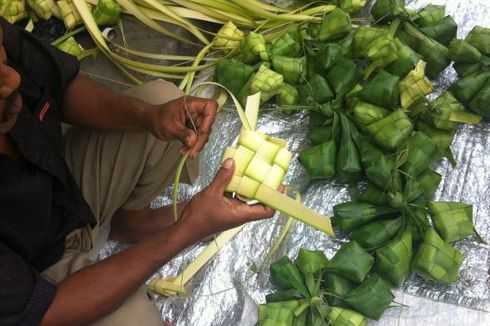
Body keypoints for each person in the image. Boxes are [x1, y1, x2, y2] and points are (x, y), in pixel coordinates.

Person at [0, 18, 275, 325]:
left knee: (167, 109)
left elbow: (62, 86)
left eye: (2, 56)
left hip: (61, 194)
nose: (11, 79)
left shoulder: (6, 67)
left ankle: (130, 223)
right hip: (34, 272)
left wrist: (150, 117)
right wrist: (185, 229)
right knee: (138, 321)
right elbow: (47, 313)